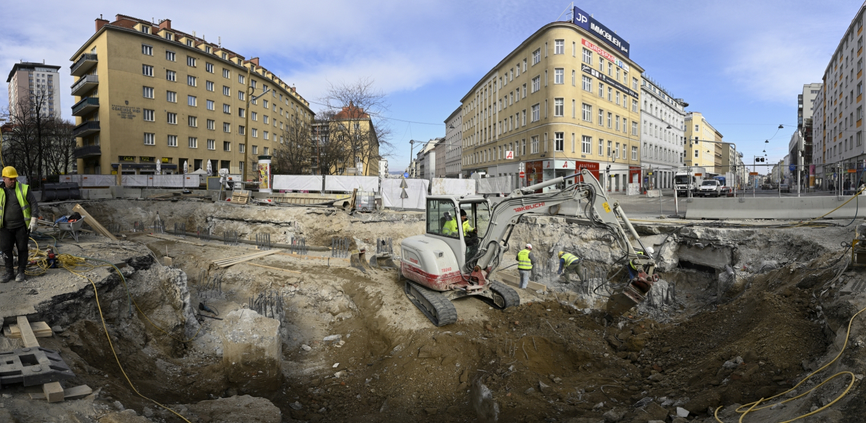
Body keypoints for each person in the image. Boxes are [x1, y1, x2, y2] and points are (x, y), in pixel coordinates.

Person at [1, 166, 38, 283]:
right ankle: (9, 272)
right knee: (6, 250)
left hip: (21, 226)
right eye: (10, 179)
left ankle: (21, 271)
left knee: (22, 249)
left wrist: (34, 218)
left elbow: (33, 203)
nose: (13, 181)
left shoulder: (23, 189)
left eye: (15, 178)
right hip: (4, 227)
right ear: (4, 178)